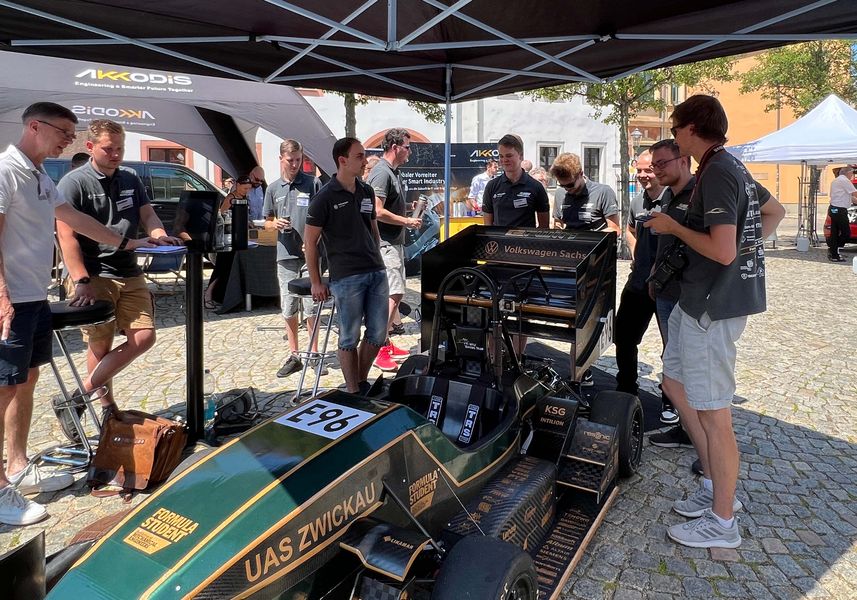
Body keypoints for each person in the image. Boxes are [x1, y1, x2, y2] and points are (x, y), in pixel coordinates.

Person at [0, 102, 154, 525]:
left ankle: (17, 466)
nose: (69, 140)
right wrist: (2, 297)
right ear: (35, 126)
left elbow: (73, 219)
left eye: (71, 133)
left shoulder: (38, 176)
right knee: (4, 389)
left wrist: (126, 244)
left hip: (34, 296)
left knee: (26, 381)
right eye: (64, 132)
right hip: (12, 299)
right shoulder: (6, 170)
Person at [645, 94, 785, 549]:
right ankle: (713, 489)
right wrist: (747, 249)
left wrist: (674, 227)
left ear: (690, 129)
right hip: (697, 301)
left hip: (711, 306)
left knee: (714, 412)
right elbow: (773, 213)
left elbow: (723, 250)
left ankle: (724, 522)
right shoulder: (728, 165)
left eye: (676, 127)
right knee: (674, 382)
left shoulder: (720, 170)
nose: (673, 134)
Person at [56, 119, 182, 436]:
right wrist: (81, 278)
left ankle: (76, 396)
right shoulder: (74, 183)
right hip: (95, 273)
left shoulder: (129, 178)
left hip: (129, 268)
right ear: (90, 147)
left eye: (120, 149)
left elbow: (147, 213)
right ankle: (107, 408)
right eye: (108, 149)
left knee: (144, 337)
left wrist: (158, 233)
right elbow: (66, 237)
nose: (115, 155)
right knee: (100, 344)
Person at [304, 138, 388, 395]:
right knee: (349, 337)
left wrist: (378, 256)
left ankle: (360, 382)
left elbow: (372, 228)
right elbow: (310, 242)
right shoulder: (325, 197)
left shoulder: (366, 191)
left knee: (377, 334)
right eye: (359, 156)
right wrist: (317, 281)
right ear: (342, 160)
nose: (365, 161)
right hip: (346, 275)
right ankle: (354, 390)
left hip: (375, 270)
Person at [644, 140, 701, 469]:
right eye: (655, 164)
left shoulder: (698, 194)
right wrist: (654, 274)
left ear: (683, 161)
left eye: (662, 163)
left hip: (689, 295)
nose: (657, 170)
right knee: (674, 366)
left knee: (691, 371)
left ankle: (706, 447)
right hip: (665, 291)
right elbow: (666, 242)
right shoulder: (667, 195)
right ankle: (684, 428)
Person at [263, 140, 324, 378]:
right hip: (285, 255)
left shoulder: (313, 184)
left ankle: (314, 353)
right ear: (281, 159)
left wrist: (313, 240)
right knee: (289, 307)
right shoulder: (273, 188)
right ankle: (294, 353)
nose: (295, 164)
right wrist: (273, 224)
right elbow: (266, 220)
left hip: (310, 255)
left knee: (312, 306)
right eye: (291, 160)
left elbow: (323, 217)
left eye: (299, 160)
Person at [367, 128, 421, 372]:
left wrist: (406, 209)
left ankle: (385, 343)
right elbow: (376, 211)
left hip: (393, 241)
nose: (410, 151)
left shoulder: (393, 172)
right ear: (396, 147)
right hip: (384, 243)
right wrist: (406, 221)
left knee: (394, 293)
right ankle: (376, 347)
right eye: (408, 147)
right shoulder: (381, 172)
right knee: (395, 293)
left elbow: (386, 205)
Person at [613, 150, 666, 397]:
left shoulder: (672, 199)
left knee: (673, 347)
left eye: (649, 170)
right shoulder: (638, 201)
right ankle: (626, 389)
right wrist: (636, 254)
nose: (643, 175)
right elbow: (630, 229)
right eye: (640, 170)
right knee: (623, 337)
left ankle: (671, 400)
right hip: (638, 283)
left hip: (668, 287)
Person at [203, 175, 253, 307]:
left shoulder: (244, 198)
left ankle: (223, 296)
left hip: (239, 238)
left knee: (231, 268)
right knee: (222, 267)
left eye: (248, 188)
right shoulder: (230, 198)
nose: (246, 191)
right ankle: (208, 294)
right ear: (238, 185)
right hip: (227, 238)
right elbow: (221, 216)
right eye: (244, 188)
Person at [482, 134, 550, 228]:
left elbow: (544, 228)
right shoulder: (492, 186)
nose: (504, 160)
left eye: (509, 156)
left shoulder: (536, 187)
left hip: (526, 242)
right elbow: (487, 227)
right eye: (501, 156)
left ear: (521, 156)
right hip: (500, 241)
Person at [550, 153, 621, 234]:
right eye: (562, 185)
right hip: (569, 245)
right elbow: (558, 223)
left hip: (596, 244)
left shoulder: (603, 192)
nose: (566, 188)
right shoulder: (560, 193)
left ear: (580, 174)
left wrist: (588, 238)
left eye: (570, 185)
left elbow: (615, 229)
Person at [827, 164, 857, 262]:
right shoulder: (845, 180)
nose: (852, 175)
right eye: (852, 173)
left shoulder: (836, 181)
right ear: (848, 173)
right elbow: (854, 193)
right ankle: (833, 250)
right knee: (846, 233)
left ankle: (834, 254)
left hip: (833, 209)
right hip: (839, 210)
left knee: (834, 233)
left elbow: (849, 197)